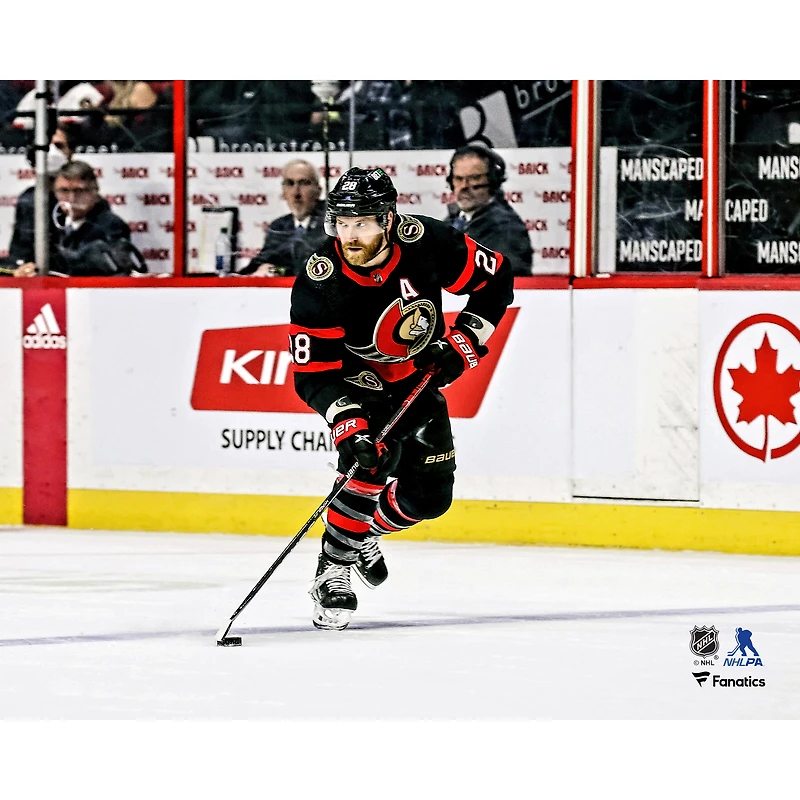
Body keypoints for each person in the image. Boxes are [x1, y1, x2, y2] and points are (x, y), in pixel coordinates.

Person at [289, 167, 513, 631]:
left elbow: (495, 280)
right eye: (342, 223)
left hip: (416, 380)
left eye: (362, 223)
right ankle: (333, 570)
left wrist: (464, 342)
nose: (350, 235)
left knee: (430, 499)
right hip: (358, 385)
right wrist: (348, 423)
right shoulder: (319, 279)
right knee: (370, 461)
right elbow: (314, 374)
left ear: (389, 220)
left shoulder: (427, 241)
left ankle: (360, 532)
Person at [12, 159, 146, 277]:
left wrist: (45, 266)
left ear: (95, 192)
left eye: (80, 191)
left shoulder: (112, 225)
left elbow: (97, 265)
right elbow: (17, 255)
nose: (72, 198)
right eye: (64, 191)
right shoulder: (46, 223)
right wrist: (23, 267)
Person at [444, 143, 534, 276]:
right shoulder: (452, 222)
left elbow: (507, 278)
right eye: (458, 179)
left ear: (493, 180)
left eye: (474, 178)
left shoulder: (506, 228)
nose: (464, 186)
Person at [1, 122, 79, 274]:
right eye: (45, 147)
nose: (51, 152)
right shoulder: (28, 201)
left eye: (59, 146)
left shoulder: (85, 198)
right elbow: (19, 252)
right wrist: (21, 268)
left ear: (71, 152)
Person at [239, 159, 328, 277]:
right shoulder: (279, 226)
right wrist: (262, 269)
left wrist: (278, 270)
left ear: (318, 191)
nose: (296, 193)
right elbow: (262, 261)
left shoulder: (333, 223)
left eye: (303, 183)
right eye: (290, 183)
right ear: (283, 192)